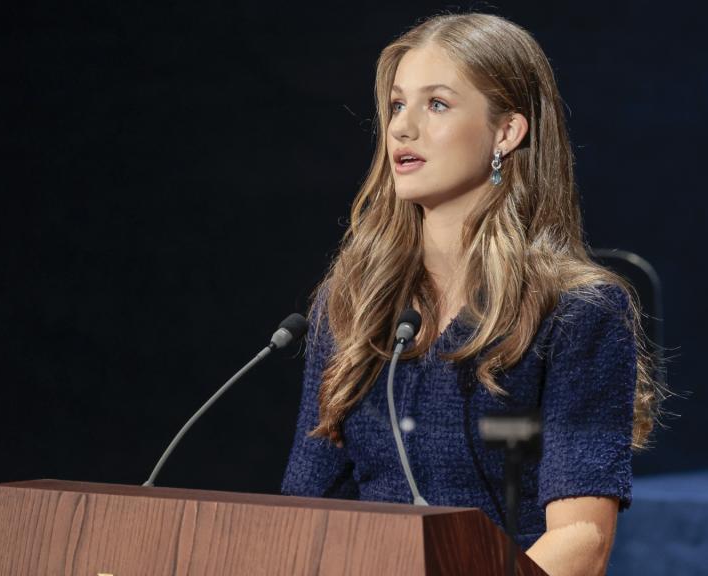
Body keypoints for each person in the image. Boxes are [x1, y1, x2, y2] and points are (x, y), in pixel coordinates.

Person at [281, 12, 660, 576]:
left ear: (507, 131)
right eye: (396, 105)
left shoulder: (578, 313)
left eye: (436, 104)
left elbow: (581, 541)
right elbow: (302, 515)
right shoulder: (354, 301)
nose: (402, 130)